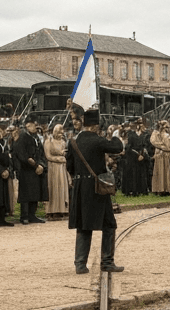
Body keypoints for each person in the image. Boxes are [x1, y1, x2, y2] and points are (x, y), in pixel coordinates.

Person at [66, 108, 124, 276]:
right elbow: (117, 146)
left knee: (84, 226)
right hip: (97, 189)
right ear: (96, 126)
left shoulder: (73, 141)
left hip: (80, 187)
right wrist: (113, 133)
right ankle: (107, 262)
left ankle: (80, 264)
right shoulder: (98, 140)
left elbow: (69, 166)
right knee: (109, 224)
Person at [13, 116, 47, 224]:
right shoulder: (23, 137)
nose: (33, 127)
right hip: (26, 169)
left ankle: (33, 215)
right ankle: (24, 216)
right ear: (27, 126)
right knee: (26, 194)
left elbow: (42, 153)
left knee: (35, 193)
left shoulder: (36, 138)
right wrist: (34, 165)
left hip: (37, 170)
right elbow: (21, 154)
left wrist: (41, 165)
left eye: (34, 125)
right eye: (30, 125)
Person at [44, 123, 69, 219]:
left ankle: (63, 209)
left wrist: (64, 155)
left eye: (62, 132)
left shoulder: (63, 142)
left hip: (62, 168)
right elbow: (48, 156)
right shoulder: (48, 141)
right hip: (53, 167)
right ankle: (52, 210)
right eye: (59, 132)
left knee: (62, 187)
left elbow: (64, 152)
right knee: (53, 187)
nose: (61, 134)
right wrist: (58, 159)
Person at [150, 120, 170, 196]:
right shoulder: (165, 135)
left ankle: (159, 189)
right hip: (163, 154)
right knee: (164, 170)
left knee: (159, 170)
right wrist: (165, 148)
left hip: (159, 153)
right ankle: (164, 189)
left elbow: (153, 142)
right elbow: (168, 146)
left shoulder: (156, 134)